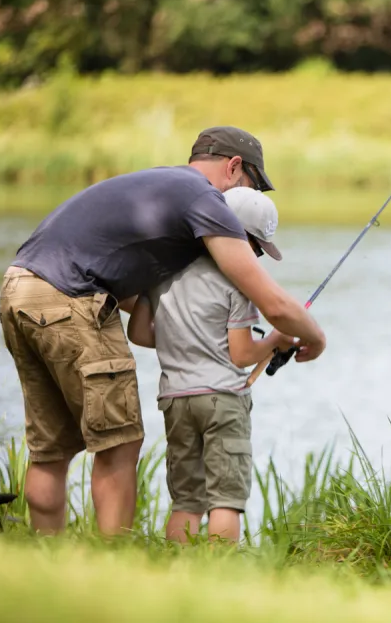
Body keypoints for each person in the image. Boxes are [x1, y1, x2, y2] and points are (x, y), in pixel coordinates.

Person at [0, 126, 326, 536]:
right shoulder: (206, 199)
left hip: (19, 286)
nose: (247, 197)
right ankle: (114, 566)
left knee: (49, 450)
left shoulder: (159, 183)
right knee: (119, 443)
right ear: (234, 166)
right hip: (71, 296)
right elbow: (273, 303)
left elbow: (140, 304)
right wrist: (315, 337)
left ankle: (46, 556)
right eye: (252, 185)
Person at [126, 187, 289, 544]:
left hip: (175, 400)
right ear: (239, 237)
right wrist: (277, 340)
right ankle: (219, 578)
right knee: (225, 501)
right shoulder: (238, 284)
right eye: (257, 248)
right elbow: (243, 355)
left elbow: (137, 332)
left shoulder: (162, 271)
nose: (256, 257)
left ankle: (178, 572)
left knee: (186, 501)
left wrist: (182, 339)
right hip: (222, 400)